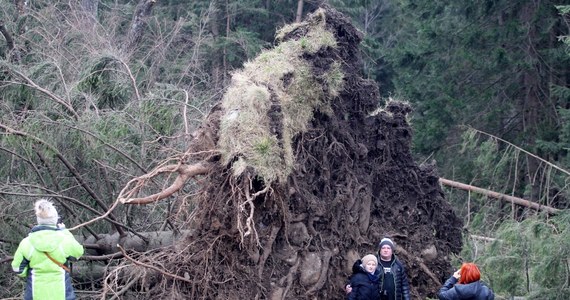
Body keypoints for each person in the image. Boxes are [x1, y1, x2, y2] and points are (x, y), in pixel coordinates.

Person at [11, 199, 84, 300]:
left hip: (35, 294)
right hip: (62, 294)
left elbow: (18, 269)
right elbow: (78, 253)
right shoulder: (64, 239)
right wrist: (65, 232)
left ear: (38, 220)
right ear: (55, 220)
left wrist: (32, 272)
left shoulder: (27, 242)